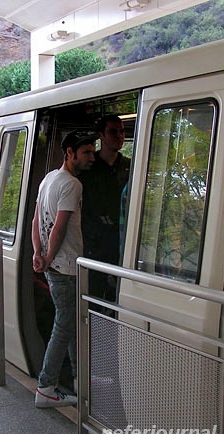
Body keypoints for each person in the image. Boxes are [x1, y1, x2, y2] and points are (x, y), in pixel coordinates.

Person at [32, 129, 96, 408]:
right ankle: (46, 386)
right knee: (64, 325)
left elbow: (36, 221)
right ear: (69, 153)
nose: (91, 157)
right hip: (67, 265)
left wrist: (38, 253)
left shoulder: (48, 180)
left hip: (53, 264)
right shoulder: (72, 184)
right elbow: (58, 227)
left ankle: (77, 380)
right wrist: (48, 256)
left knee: (68, 324)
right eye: (86, 153)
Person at [79, 115, 131, 302]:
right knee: (93, 296)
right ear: (101, 135)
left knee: (117, 298)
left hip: (123, 242)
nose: (119, 136)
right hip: (95, 245)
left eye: (122, 131)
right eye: (113, 131)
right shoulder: (89, 168)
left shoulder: (129, 166)